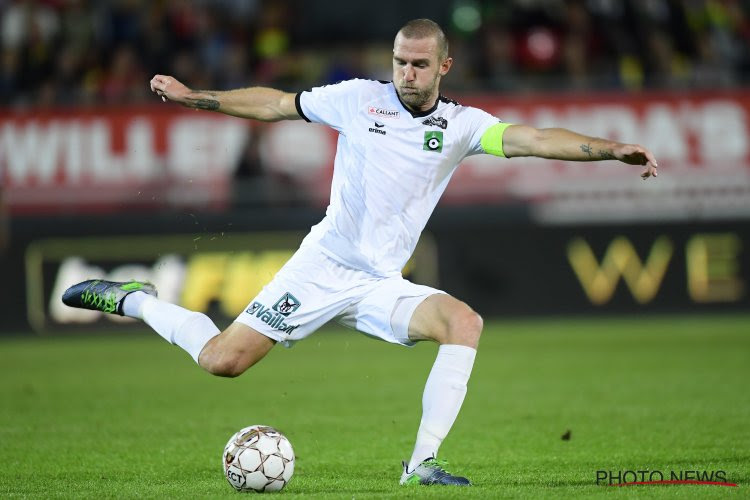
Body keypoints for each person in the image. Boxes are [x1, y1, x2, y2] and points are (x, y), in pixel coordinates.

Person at [62, 18, 658, 487]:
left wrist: (610, 150)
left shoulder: (462, 125)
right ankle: (137, 302)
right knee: (222, 361)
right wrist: (198, 99)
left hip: (381, 282)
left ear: (444, 67)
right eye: (400, 62)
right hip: (322, 267)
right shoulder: (356, 99)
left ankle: (420, 466)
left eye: (420, 65)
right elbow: (274, 104)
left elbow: (533, 139)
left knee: (463, 322)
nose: (407, 73)